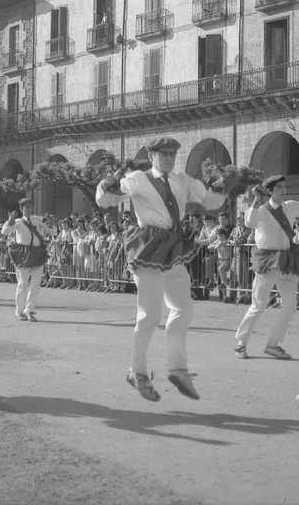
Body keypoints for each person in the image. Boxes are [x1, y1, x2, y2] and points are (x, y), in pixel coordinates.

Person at [96, 136, 229, 403]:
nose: (169, 158)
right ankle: (137, 371)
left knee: (183, 308)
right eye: (164, 154)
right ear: (152, 156)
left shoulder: (182, 180)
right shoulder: (137, 178)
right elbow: (105, 200)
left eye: (172, 154)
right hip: (148, 248)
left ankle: (178, 368)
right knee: (150, 314)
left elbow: (210, 201)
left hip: (173, 248)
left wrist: (219, 185)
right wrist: (107, 184)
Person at [233, 174, 299, 361]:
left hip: (286, 260)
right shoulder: (261, 210)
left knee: (290, 306)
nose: (283, 190)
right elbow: (249, 222)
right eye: (279, 187)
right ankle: (241, 343)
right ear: (270, 191)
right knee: (258, 305)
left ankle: (272, 344)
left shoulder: (290, 206)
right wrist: (256, 200)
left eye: (284, 186)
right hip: (268, 261)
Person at [2, 198, 51, 322]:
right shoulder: (18, 222)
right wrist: (10, 220)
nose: (29, 209)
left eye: (30, 207)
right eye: (26, 207)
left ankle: (29, 310)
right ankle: (19, 311)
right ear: (21, 209)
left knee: (36, 284)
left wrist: (50, 224)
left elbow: (51, 231)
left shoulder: (38, 219)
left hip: (37, 253)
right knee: (22, 283)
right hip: (23, 253)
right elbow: (5, 231)